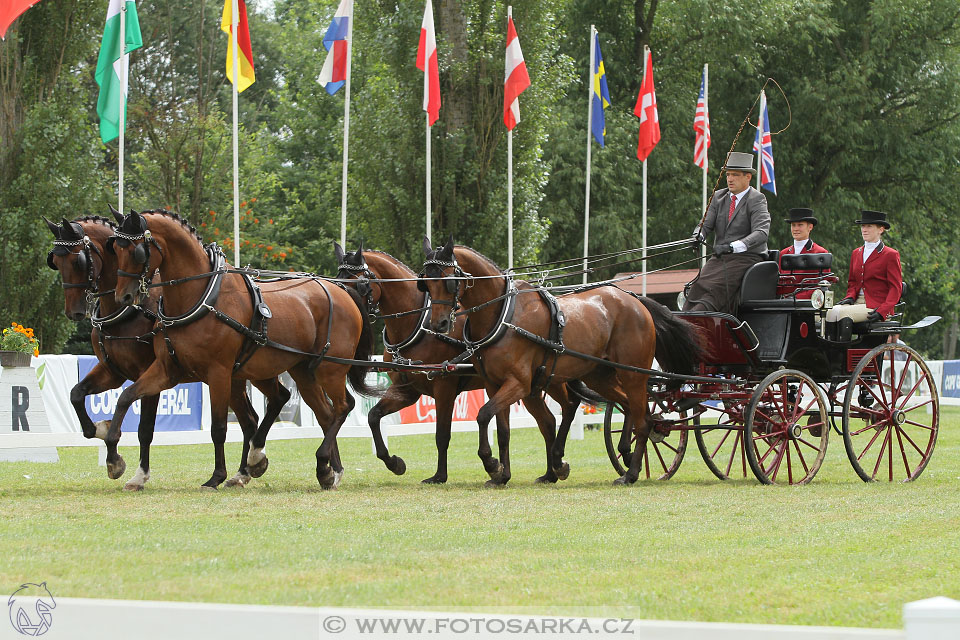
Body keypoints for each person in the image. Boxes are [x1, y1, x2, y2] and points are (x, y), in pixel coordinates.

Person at [684, 151, 770, 314]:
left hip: (747, 257)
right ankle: (686, 317)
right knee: (698, 285)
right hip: (720, 258)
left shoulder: (757, 199)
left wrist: (732, 247)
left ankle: (700, 317)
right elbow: (705, 224)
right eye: (728, 174)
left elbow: (761, 233)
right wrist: (698, 235)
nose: (730, 179)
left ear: (748, 177)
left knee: (715, 287)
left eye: (735, 175)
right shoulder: (719, 196)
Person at [825, 210, 902, 341]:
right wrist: (850, 297)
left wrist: (882, 310)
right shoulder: (856, 253)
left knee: (843, 313)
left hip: (877, 305)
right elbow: (853, 283)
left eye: (869, 226)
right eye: (863, 226)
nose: (864, 230)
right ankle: (832, 354)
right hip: (857, 303)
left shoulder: (890, 254)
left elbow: (896, 289)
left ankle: (842, 356)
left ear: (881, 229)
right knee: (830, 312)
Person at [776, 207, 829, 299]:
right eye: (793, 225)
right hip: (784, 303)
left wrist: (796, 297)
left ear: (810, 227)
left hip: (807, 303)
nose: (796, 229)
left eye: (800, 225)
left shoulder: (820, 252)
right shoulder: (784, 253)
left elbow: (822, 285)